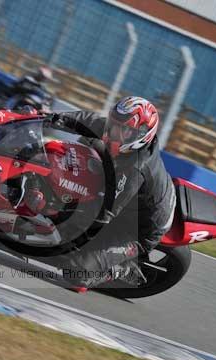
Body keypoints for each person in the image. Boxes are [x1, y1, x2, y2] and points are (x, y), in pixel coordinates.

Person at [46, 96, 176, 288]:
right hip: (126, 201)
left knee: (76, 271)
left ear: (139, 135)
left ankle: (125, 269)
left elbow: (102, 215)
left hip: (137, 230)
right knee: (86, 142)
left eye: (122, 130)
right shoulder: (116, 133)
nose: (113, 133)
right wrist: (51, 117)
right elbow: (88, 120)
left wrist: (61, 214)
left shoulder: (136, 169)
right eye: (113, 125)